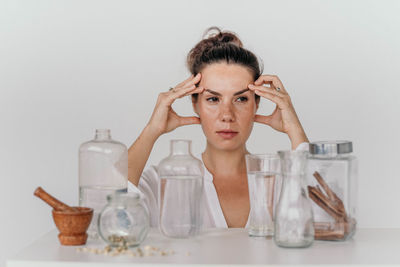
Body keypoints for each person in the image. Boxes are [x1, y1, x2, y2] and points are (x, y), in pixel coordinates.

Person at [127, 26, 309, 228]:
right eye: (213, 99)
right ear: (195, 103)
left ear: (257, 103)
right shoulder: (166, 180)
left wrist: (296, 131)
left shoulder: (282, 179)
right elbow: (108, 207)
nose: (227, 115)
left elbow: (328, 219)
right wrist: (152, 129)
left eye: (240, 99)